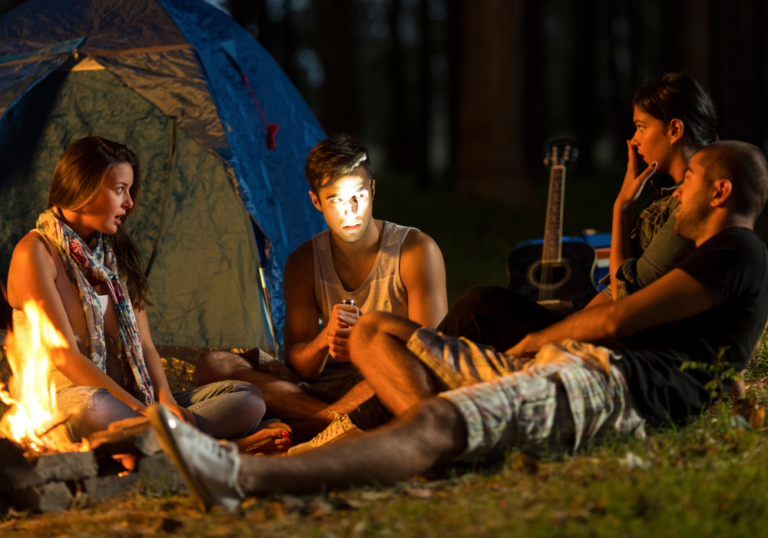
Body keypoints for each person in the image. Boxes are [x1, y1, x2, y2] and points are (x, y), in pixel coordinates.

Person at [150, 140, 768, 510]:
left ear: (719, 191)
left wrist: (535, 340)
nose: (675, 189)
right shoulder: (303, 260)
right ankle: (421, 435)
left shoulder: (737, 250)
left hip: (614, 379)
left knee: (440, 416)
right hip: (585, 364)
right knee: (373, 334)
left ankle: (247, 476)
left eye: (686, 181)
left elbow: (621, 316)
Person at [6, 137, 290, 453]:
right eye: (119, 189)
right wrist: (145, 411)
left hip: (133, 403)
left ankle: (160, 443)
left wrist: (164, 398)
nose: (129, 202)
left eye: (129, 190)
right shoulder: (35, 252)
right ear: (83, 188)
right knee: (95, 408)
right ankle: (220, 448)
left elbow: (145, 345)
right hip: (67, 403)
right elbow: (63, 355)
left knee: (248, 398)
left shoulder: (112, 260)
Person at [194, 134, 448, 445]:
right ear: (316, 201)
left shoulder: (415, 251)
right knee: (214, 365)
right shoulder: (304, 262)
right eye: (336, 200)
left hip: (389, 377)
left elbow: (431, 355)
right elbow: (301, 366)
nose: (350, 212)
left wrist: (372, 340)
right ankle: (341, 419)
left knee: (405, 373)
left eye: (358, 196)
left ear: (372, 189)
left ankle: (306, 428)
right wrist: (324, 340)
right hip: (326, 387)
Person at [440, 73, 718, 351]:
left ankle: (415, 364)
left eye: (641, 127)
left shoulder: (690, 204)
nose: (634, 140)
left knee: (480, 307)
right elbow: (615, 288)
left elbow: (626, 293)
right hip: (591, 324)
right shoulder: (666, 193)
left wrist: (622, 206)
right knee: (481, 307)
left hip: (618, 343)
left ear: (674, 130)